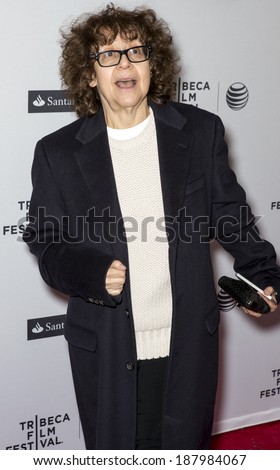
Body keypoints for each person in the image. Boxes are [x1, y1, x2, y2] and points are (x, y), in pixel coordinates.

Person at [23, 3, 280, 450]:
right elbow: (45, 241)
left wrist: (264, 275)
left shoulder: (200, 131)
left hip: (186, 345)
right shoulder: (56, 152)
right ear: (89, 74)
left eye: (136, 51)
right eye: (108, 54)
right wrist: (90, 272)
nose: (124, 63)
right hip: (106, 347)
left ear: (151, 64)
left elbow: (230, 214)